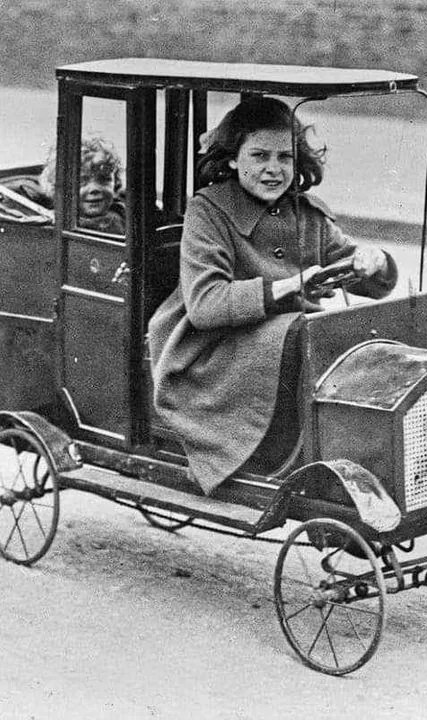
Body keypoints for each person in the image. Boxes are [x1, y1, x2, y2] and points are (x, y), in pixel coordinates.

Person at [148, 97, 397, 495]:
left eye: (285, 157)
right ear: (231, 159)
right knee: (304, 332)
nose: (273, 169)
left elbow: (360, 272)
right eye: (259, 155)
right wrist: (289, 286)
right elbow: (205, 305)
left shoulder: (308, 214)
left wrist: (374, 260)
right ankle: (294, 456)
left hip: (282, 340)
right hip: (209, 350)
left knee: (353, 333)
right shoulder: (208, 211)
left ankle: (366, 448)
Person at [31, 136, 126, 235]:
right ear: (59, 188)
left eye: (104, 179)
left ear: (116, 183)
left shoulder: (123, 213)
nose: (94, 188)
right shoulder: (55, 222)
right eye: (81, 181)